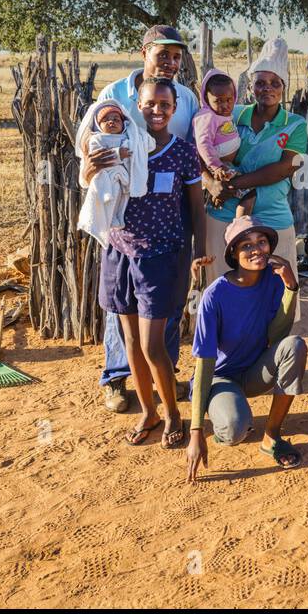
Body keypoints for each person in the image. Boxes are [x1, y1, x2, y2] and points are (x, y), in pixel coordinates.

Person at [86, 77, 206, 449]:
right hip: (120, 251)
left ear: (175, 109)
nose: (157, 111)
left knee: (154, 346)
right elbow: (90, 180)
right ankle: (148, 412)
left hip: (161, 255)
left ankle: (171, 413)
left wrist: (197, 250)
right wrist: (91, 168)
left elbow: (196, 207)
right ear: (137, 106)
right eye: (150, 104)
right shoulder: (120, 145)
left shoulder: (183, 152)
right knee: (131, 342)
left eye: (165, 105)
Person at [186, 215, 307, 482]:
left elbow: (277, 336)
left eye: (261, 242)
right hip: (220, 377)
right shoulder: (214, 295)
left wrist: (290, 286)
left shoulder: (273, 280)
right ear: (233, 253)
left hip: (254, 372)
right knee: (233, 430)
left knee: (294, 345)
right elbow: (205, 363)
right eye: (246, 246)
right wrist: (196, 431)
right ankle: (224, 412)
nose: (256, 250)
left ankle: (272, 436)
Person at [199, 37, 308, 319]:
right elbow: (199, 146)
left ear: (284, 87)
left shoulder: (295, 124)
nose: (267, 88)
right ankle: (225, 358)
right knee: (222, 290)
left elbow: (284, 168)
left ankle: (275, 357)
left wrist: (230, 185)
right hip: (223, 216)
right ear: (250, 85)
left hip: (271, 216)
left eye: (275, 83)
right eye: (260, 82)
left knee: (277, 297)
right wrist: (210, 182)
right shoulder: (231, 116)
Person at [75, 100, 149, 250]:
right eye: (105, 120)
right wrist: (117, 154)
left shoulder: (129, 137)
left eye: (116, 119)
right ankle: (110, 219)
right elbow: (97, 155)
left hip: (122, 178)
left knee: (122, 199)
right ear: (97, 124)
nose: (111, 122)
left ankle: (118, 217)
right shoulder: (97, 139)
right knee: (111, 199)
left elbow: (144, 145)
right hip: (105, 178)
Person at [192, 70, 246, 202]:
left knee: (240, 190)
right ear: (206, 98)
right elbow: (203, 144)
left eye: (229, 100)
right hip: (217, 164)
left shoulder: (221, 115)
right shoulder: (206, 117)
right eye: (218, 101)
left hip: (226, 164)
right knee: (247, 192)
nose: (225, 105)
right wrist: (216, 166)